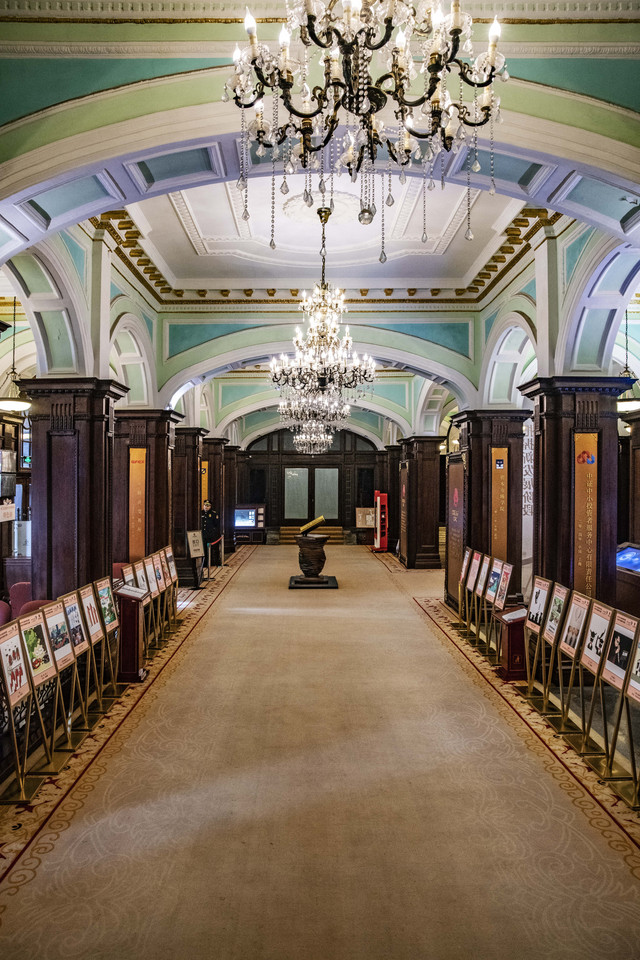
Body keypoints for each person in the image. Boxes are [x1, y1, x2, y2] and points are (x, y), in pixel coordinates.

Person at [201, 500, 220, 567]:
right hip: (203, 534)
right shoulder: (201, 513)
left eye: (208, 506)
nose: (206, 507)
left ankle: (213, 561)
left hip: (211, 535)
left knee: (211, 549)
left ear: (210, 506)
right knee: (204, 549)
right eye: (205, 505)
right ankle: (204, 562)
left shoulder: (214, 514)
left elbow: (216, 525)